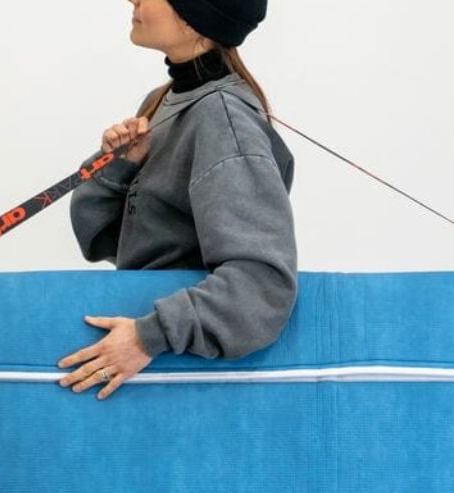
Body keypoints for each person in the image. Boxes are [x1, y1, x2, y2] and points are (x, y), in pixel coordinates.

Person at [57, 0, 297, 401]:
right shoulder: (163, 101)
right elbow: (113, 242)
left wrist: (148, 337)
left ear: (193, 18)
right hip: (154, 368)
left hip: (182, 380)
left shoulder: (223, 118)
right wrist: (119, 167)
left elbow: (262, 287)